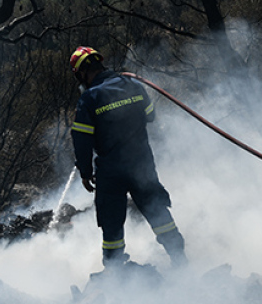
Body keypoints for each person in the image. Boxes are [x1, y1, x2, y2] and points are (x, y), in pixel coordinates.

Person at [69, 46, 188, 269]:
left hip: (111, 170)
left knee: (112, 222)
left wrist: (85, 173)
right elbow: (150, 116)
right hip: (142, 163)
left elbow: (81, 139)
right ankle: (179, 259)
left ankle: (114, 273)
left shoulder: (89, 98)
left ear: (83, 72)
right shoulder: (133, 85)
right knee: (156, 210)